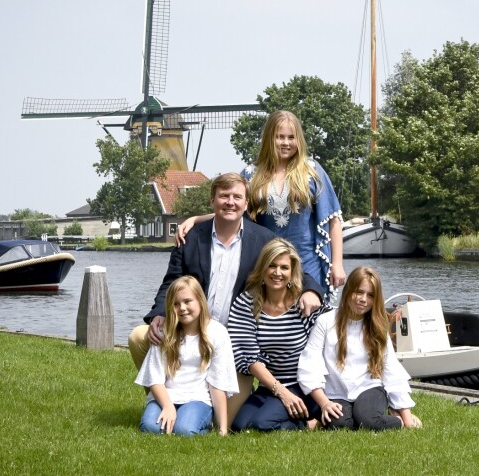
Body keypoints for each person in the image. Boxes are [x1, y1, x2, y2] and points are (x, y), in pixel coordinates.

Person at [128, 173, 324, 424]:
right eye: (224, 196)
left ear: (245, 203)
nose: (230, 202)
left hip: (232, 340)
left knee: (228, 424)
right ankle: (164, 402)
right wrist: (160, 313)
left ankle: (205, 405)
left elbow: (289, 265)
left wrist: (310, 290)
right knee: (138, 336)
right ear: (213, 201)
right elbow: (171, 281)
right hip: (190, 329)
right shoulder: (190, 238)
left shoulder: (262, 239)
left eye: (237, 197)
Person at [176, 110, 345, 293]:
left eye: (291, 137)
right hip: (267, 261)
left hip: (306, 261)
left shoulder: (312, 172)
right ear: (269, 138)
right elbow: (234, 211)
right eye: (280, 137)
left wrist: (337, 263)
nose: (286, 143)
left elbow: (332, 219)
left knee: (308, 310)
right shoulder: (252, 174)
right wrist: (196, 219)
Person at [297, 266, 422, 431]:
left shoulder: (377, 326)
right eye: (358, 292)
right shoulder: (325, 322)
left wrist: (406, 418)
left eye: (370, 295)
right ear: (348, 291)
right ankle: (329, 420)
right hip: (336, 394)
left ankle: (395, 420)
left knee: (369, 420)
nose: (363, 299)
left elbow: (391, 370)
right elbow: (309, 366)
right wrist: (325, 403)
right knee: (339, 425)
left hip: (369, 388)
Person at [227, 238, 331, 432]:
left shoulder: (305, 302)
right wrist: (281, 391)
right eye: (272, 266)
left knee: (261, 425)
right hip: (271, 385)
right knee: (240, 427)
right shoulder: (246, 303)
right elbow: (249, 358)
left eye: (284, 268)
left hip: (304, 385)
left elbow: (334, 330)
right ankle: (302, 416)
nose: (277, 273)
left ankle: (309, 422)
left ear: (292, 272)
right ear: (262, 268)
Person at [135, 276, 239, 436]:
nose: (182, 308)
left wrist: (223, 428)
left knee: (185, 430)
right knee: (150, 428)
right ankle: (171, 414)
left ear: (200, 300)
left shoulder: (217, 332)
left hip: (197, 398)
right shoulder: (165, 331)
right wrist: (167, 406)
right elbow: (154, 378)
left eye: (187, 301)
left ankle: (201, 422)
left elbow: (218, 382)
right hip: (166, 395)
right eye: (176, 304)